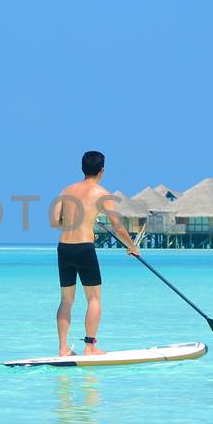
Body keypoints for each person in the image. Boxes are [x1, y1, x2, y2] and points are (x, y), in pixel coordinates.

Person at [48, 150, 141, 356]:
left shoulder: (66, 190)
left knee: (66, 300)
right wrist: (131, 245)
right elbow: (117, 226)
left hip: (64, 248)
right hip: (84, 248)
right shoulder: (101, 194)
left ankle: (63, 348)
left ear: (83, 168)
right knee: (94, 299)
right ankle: (90, 346)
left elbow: (55, 222)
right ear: (102, 171)